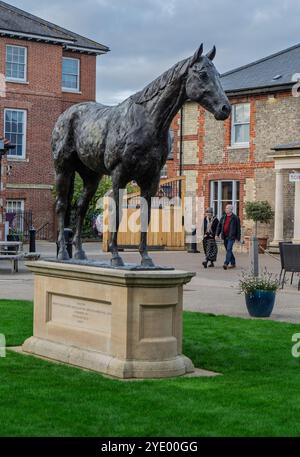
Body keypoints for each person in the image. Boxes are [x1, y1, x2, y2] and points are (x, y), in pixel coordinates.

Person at [217, 204, 241, 270]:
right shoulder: (223, 217)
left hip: (231, 236)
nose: (226, 209)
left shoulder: (235, 218)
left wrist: (238, 238)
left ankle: (226, 263)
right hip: (224, 236)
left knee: (228, 249)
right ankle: (233, 263)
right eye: (226, 208)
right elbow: (219, 226)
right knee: (228, 250)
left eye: (227, 208)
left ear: (231, 209)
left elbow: (238, 228)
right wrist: (217, 234)